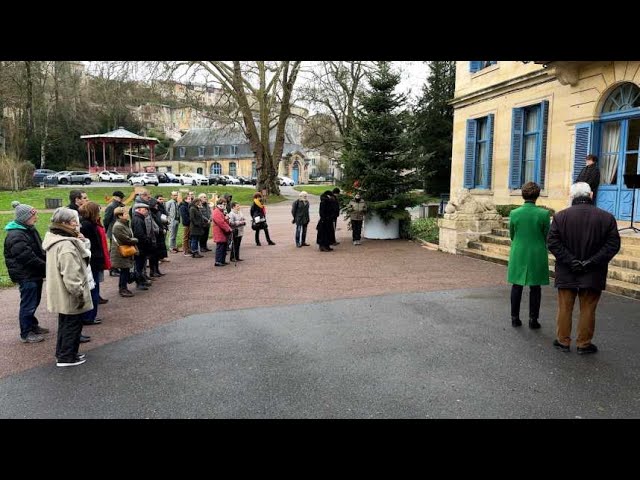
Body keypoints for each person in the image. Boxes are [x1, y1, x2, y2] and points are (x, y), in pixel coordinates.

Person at [547, 182, 621, 354]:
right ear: (591, 195)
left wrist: (570, 261)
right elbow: (613, 245)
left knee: (565, 307)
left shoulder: (561, 216)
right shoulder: (606, 217)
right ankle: (584, 343)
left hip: (567, 270)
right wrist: (592, 262)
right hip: (593, 271)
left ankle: (563, 340)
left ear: (572, 196)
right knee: (588, 308)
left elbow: (552, 242)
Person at [42, 207, 94, 367]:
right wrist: (79, 294)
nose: (76, 224)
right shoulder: (66, 245)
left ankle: (64, 353)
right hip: (69, 294)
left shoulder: (56, 239)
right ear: (65, 223)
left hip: (61, 292)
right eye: (73, 221)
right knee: (72, 325)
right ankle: (66, 357)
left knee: (65, 324)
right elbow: (71, 275)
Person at [506, 182, 550, 329]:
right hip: (537, 251)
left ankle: (514, 317)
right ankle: (533, 319)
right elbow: (546, 235)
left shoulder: (514, 213)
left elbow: (512, 234)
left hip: (519, 250)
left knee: (516, 286)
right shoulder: (544, 214)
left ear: (522, 195)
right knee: (535, 287)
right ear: (537, 196)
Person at [3, 201, 48, 343]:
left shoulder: (29, 229)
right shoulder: (16, 235)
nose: (37, 217)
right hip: (26, 275)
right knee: (28, 303)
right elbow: (26, 257)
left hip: (34, 273)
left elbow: (38, 250)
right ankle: (26, 333)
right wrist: (46, 266)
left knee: (34, 301)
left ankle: (33, 325)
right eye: (34, 215)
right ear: (25, 217)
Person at [79, 202, 106, 326]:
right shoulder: (87, 225)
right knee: (92, 289)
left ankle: (90, 315)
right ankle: (89, 316)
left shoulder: (90, 224)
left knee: (93, 289)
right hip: (93, 261)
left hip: (94, 260)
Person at [110, 207, 138, 297]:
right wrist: (136, 240)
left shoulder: (124, 224)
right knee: (124, 271)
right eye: (125, 214)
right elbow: (126, 239)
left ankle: (124, 287)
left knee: (125, 270)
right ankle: (123, 289)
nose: (127, 215)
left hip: (125, 251)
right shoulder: (118, 226)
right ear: (119, 216)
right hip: (121, 253)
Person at [103, 191, 125, 277]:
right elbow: (106, 220)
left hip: (118, 230)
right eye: (120, 197)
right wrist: (108, 229)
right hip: (112, 230)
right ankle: (112, 269)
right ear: (116, 197)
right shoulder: (111, 206)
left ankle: (116, 267)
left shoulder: (118, 205)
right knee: (113, 251)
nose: (122, 199)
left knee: (117, 250)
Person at [212, 198, 232, 266]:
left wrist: (226, 218)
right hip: (219, 231)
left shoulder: (222, 211)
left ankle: (222, 260)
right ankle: (218, 261)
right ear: (219, 204)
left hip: (223, 231)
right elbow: (221, 222)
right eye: (223, 204)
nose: (224, 205)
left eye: (225, 204)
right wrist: (228, 229)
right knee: (220, 247)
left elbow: (224, 221)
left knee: (224, 247)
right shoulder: (216, 211)